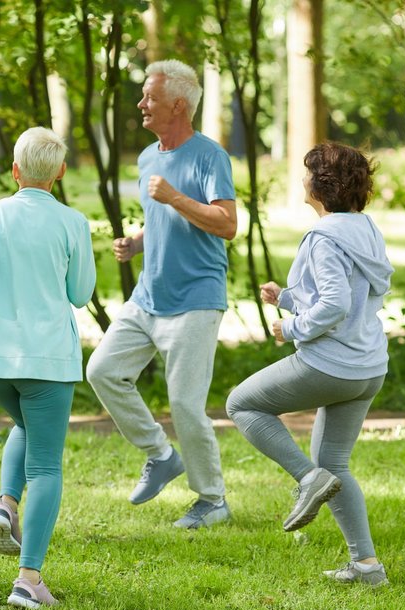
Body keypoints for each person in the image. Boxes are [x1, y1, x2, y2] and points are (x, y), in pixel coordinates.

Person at [225, 142, 393, 587]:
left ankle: (307, 479)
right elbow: (351, 294)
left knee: (242, 404)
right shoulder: (363, 227)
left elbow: (335, 304)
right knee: (335, 463)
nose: (302, 180)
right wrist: (285, 296)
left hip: (332, 365)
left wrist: (291, 326)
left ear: (321, 185)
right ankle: (367, 568)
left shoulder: (323, 237)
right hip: (369, 367)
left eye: (306, 174)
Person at [85, 60, 237, 529]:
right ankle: (160, 453)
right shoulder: (150, 157)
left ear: (178, 105)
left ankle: (213, 501)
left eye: (149, 97)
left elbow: (226, 224)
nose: (141, 104)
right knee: (103, 370)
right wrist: (137, 240)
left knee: (187, 404)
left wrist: (173, 198)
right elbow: (163, 220)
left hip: (196, 298)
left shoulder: (210, 156)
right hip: (149, 296)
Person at [0, 127, 96, 609]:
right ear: (59, 173)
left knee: (24, 424)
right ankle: (28, 580)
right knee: (48, 465)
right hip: (48, 359)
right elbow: (80, 294)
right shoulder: (73, 222)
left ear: (15, 171)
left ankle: (6, 503)